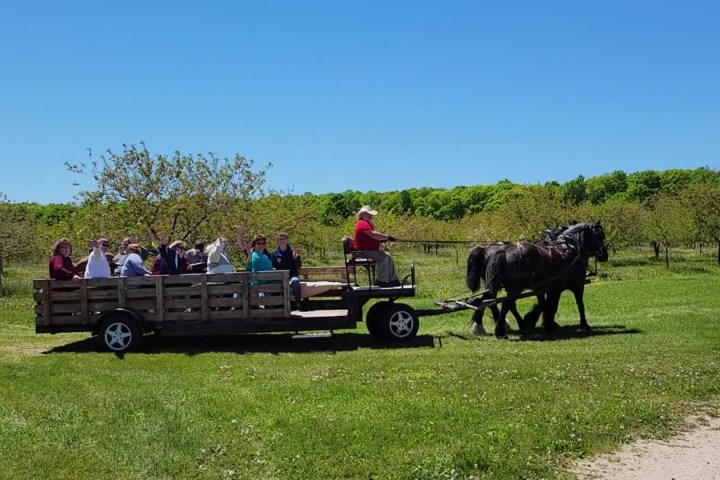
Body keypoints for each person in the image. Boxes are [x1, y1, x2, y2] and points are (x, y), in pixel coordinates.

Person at [353, 205, 399, 287]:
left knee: (387, 256)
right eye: (368, 214)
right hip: (363, 252)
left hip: (367, 251)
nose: (371, 216)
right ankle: (381, 281)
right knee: (383, 257)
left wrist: (383, 239)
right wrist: (387, 237)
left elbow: (371, 238)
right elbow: (373, 234)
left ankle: (392, 280)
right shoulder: (362, 223)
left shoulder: (365, 223)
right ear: (363, 215)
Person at [271, 232, 302, 306]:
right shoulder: (274, 253)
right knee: (274, 284)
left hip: (292, 275)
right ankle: (276, 305)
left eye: (284, 239)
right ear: (277, 241)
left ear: (287, 240)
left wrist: (296, 258)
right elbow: (272, 266)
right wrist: (273, 268)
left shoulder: (292, 252)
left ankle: (298, 302)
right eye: (280, 239)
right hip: (280, 277)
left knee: (295, 282)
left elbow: (299, 266)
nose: (282, 241)